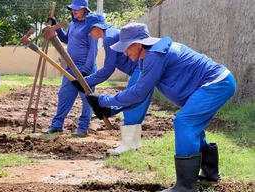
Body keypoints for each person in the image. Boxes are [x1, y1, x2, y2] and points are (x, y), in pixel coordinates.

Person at [86, 23, 236, 191]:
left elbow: (137, 92)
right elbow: (141, 96)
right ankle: (210, 174)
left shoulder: (155, 55)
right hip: (213, 84)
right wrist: (113, 110)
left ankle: (185, 187)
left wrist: (103, 100)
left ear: (139, 43)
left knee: (185, 122)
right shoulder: (147, 57)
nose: (124, 52)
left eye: (126, 47)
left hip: (216, 83)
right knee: (192, 125)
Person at [72, 13, 152, 155]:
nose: (89, 34)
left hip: (140, 69)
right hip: (142, 68)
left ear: (97, 27)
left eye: (90, 30)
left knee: (131, 102)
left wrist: (86, 81)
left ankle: (127, 146)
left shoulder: (108, 38)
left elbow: (108, 68)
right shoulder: (111, 34)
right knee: (136, 104)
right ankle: (133, 145)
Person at [43, 0, 98, 137]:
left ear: (85, 9)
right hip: (70, 67)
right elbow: (67, 40)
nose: (74, 11)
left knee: (87, 99)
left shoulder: (90, 26)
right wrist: (57, 27)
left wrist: (87, 70)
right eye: (73, 9)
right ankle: (57, 126)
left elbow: (93, 50)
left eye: (77, 9)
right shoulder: (73, 25)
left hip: (86, 68)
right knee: (64, 95)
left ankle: (83, 128)